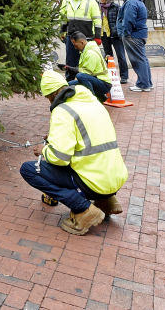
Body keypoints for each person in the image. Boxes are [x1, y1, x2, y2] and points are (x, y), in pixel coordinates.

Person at [19, 70, 128, 235]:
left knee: (28, 169)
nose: (49, 101)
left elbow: (60, 158)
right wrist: (56, 137)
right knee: (89, 162)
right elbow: (89, 136)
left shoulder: (63, 110)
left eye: (48, 97)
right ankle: (107, 200)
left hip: (93, 182)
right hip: (114, 177)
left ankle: (84, 210)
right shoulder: (93, 102)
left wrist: (44, 150)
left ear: (54, 93)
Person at [117, 0, 152, 91]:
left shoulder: (130, 3)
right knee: (142, 59)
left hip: (133, 35)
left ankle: (143, 84)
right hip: (139, 34)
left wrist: (125, 33)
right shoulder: (137, 1)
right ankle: (147, 83)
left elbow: (128, 20)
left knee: (137, 60)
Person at [58, 0, 102, 68]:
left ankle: (87, 78)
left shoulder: (90, 1)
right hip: (71, 36)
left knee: (87, 59)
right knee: (70, 60)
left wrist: (97, 36)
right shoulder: (67, 1)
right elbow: (63, 18)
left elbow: (97, 19)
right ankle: (70, 79)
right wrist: (62, 32)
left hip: (87, 36)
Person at [61, 34, 111, 102]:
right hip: (96, 80)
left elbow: (86, 73)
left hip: (104, 84)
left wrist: (71, 69)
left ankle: (92, 99)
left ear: (82, 42)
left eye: (75, 45)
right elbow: (84, 70)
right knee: (67, 85)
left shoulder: (90, 53)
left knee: (80, 76)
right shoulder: (85, 50)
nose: (75, 48)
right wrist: (68, 68)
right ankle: (101, 97)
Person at [97, 0, 128, 84]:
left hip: (115, 35)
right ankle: (110, 75)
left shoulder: (116, 7)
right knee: (108, 55)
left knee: (121, 55)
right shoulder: (98, 7)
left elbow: (121, 20)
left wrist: (119, 32)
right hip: (104, 34)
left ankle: (124, 76)